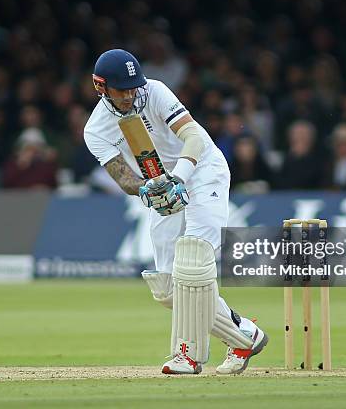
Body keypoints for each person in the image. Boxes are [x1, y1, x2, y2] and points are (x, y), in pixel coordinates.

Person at [84, 49, 267, 375]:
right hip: (160, 186)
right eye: (121, 89)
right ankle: (244, 335)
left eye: (133, 87)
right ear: (102, 88)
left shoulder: (154, 91)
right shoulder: (96, 129)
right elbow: (122, 175)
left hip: (201, 171)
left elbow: (193, 136)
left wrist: (179, 176)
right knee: (169, 289)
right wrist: (146, 189)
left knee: (194, 261)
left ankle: (189, 356)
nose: (130, 94)